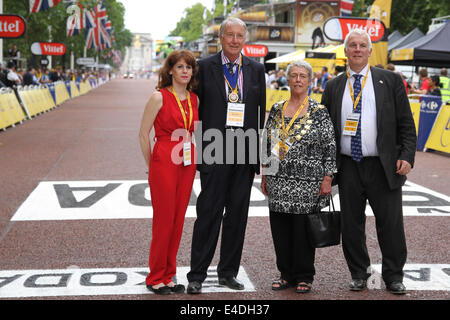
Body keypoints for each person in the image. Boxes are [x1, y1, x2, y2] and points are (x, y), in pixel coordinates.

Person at [321, 29, 416, 295]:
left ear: (370, 50)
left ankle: (394, 275)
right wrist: (326, 171)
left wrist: (406, 156)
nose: (358, 49)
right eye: (353, 45)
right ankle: (359, 274)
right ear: (346, 50)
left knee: (391, 224)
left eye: (363, 45)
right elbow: (325, 131)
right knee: (351, 224)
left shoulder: (391, 81)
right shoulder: (333, 86)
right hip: (348, 165)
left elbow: (406, 124)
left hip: (383, 165)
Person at [186, 17, 266, 294]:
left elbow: (259, 115)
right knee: (208, 213)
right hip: (214, 150)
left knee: (237, 217)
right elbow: (195, 114)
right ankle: (196, 274)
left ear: (245, 39)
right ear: (220, 38)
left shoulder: (256, 70)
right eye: (229, 35)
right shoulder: (204, 67)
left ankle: (228, 272)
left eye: (239, 35)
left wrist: (259, 158)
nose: (234, 40)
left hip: (244, 153)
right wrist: (200, 155)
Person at [261, 60, 337, 293]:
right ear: (287, 79)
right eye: (293, 75)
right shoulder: (277, 108)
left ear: (310, 80)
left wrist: (328, 177)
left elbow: (330, 145)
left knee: (303, 231)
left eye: (303, 76)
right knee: (280, 229)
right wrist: (265, 172)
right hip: (279, 180)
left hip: (308, 183)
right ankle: (285, 273)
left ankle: (304, 275)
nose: (297, 80)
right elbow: (269, 141)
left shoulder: (319, 112)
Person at [138, 50, 199, 295]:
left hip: (187, 160)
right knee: (163, 220)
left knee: (177, 220)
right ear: (171, 70)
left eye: (189, 67)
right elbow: (143, 134)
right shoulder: (159, 97)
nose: (185, 71)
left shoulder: (194, 99)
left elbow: (194, 130)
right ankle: (155, 277)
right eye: (181, 67)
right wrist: (151, 165)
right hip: (164, 160)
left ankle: (169, 274)